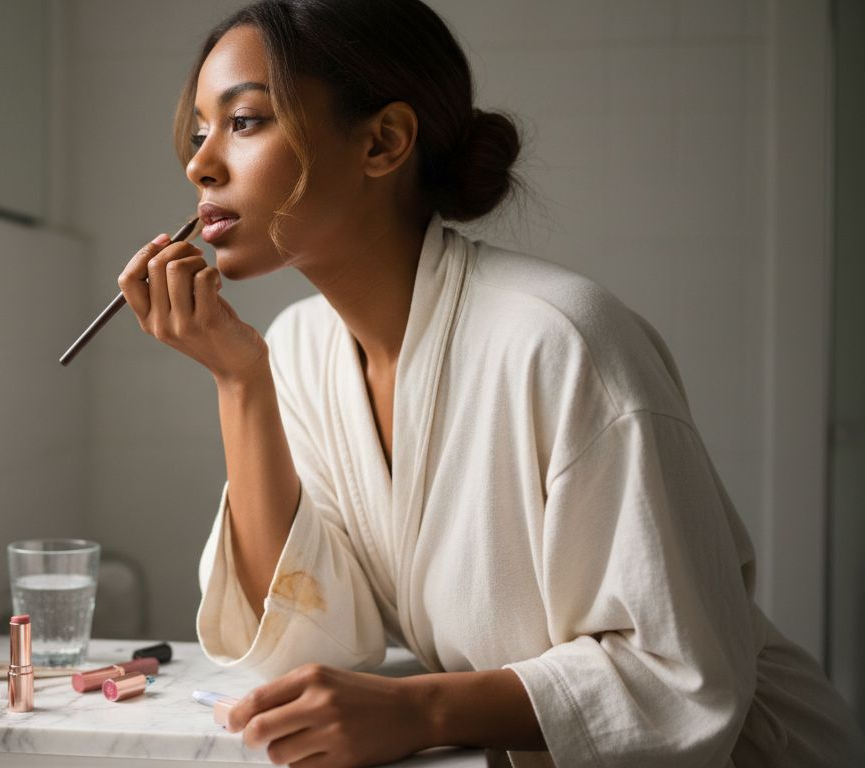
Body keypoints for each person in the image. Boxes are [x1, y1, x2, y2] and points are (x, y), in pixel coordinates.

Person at [116, 1, 865, 766]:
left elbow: (680, 675)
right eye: (200, 131)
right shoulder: (300, 349)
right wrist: (241, 382)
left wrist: (423, 710)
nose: (200, 164)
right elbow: (304, 638)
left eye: (243, 122)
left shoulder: (561, 339)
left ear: (383, 142)